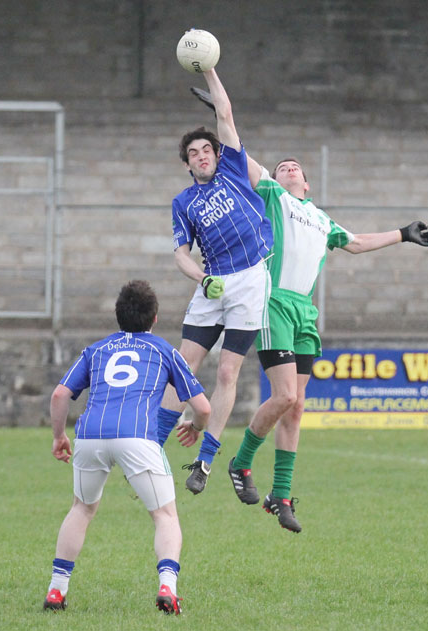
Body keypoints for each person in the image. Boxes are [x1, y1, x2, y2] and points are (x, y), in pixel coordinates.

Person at [189, 86, 428, 532]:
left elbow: (357, 243)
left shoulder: (321, 219)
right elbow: (238, 148)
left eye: (293, 167)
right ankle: (240, 464)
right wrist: (223, 116)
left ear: (307, 183)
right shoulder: (270, 196)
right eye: (281, 166)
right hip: (275, 304)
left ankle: (280, 496)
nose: (286, 168)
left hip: (305, 314)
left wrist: (402, 233)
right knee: (283, 396)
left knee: (296, 406)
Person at [42, 280, 210, 615]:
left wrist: (59, 436)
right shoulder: (164, 350)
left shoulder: (97, 350)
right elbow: (204, 407)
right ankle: (167, 588)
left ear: (118, 317)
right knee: (164, 516)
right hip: (137, 436)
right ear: (155, 318)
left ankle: (56, 592)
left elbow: (60, 394)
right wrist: (196, 426)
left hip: (90, 435)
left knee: (81, 509)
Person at [156, 68, 273, 496]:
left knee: (227, 372)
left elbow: (224, 109)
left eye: (208, 149)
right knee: (184, 367)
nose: (203, 155)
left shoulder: (235, 170)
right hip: (214, 284)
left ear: (217, 155)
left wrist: (208, 66)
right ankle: (151, 448)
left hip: (249, 282)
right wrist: (202, 278)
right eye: (195, 152)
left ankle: (204, 463)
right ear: (186, 163)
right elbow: (180, 255)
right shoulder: (183, 202)